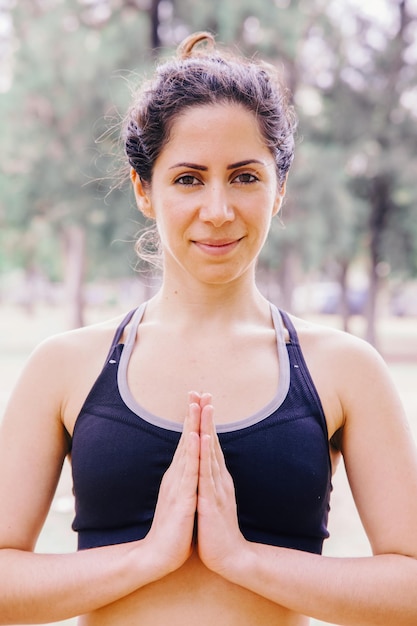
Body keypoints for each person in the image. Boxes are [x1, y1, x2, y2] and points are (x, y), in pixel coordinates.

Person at [1, 31, 417, 626]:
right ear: (144, 189)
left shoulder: (344, 369)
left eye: (245, 177)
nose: (218, 210)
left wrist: (242, 560)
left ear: (279, 191)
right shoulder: (66, 367)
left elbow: (410, 586)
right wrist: (147, 557)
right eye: (188, 178)